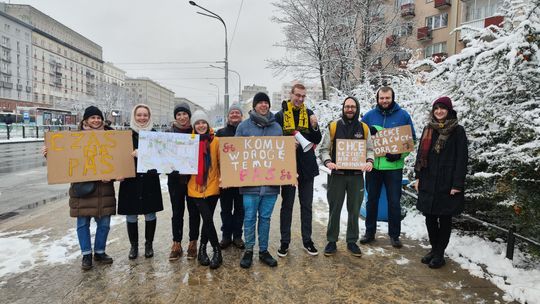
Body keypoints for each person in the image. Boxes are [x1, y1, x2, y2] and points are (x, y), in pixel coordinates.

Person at [41, 106, 119, 270]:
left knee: (104, 223)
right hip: (82, 189)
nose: (96, 120)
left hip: (104, 189)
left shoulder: (112, 137)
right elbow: (63, 161)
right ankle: (86, 255)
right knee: (83, 224)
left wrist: (111, 176)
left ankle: (99, 251)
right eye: (92, 118)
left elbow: (118, 162)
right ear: (86, 120)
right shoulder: (74, 139)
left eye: (99, 118)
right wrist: (50, 153)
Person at [413, 96, 468, 269]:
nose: (439, 111)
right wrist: (418, 176)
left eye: (442, 108)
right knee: (429, 217)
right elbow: (420, 155)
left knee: (444, 219)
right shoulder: (428, 129)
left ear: (449, 110)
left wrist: (457, 184)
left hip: (447, 182)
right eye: (436, 108)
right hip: (429, 180)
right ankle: (433, 249)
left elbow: (462, 159)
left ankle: (439, 253)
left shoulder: (458, 131)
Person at [360, 86, 416, 248]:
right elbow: (359, 137)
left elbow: (411, 140)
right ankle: (369, 233)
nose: (384, 101)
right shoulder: (369, 116)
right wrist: (367, 134)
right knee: (372, 201)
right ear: (377, 99)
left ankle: (394, 235)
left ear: (393, 98)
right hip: (374, 167)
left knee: (394, 202)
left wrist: (400, 155)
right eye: (381, 98)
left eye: (387, 98)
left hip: (394, 167)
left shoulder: (403, 115)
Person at [319, 96, 374, 257]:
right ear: (343, 108)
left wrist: (370, 161)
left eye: (353, 107)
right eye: (347, 106)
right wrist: (328, 161)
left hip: (357, 176)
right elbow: (323, 149)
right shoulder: (334, 126)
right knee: (334, 209)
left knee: (354, 209)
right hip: (337, 175)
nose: (349, 109)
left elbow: (370, 149)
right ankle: (331, 240)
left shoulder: (364, 128)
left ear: (357, 109)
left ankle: (352, 241)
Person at [274, 83, 322, 257]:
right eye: (298, 95)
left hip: (307, 168)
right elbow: (274, 139)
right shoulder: (279, 116)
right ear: (291, 94)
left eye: (303, 96)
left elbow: (317, 138)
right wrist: (287, 142)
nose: (300, 99)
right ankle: (284, 242)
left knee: (306, 206)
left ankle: (307, 241)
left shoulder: (308, 114)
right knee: (287, 206)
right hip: (287, 167)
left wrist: (315, 126)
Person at [235, 92, 282, 268]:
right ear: (254, 105)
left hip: (270, 184)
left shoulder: (277, 128)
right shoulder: (243, 127)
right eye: (260, 102)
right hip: (250, 184)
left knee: (265, 217)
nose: (263, 105)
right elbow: (236, 154)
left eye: (266, 102)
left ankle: (263, 251)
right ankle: (248, 250)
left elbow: (281, 154)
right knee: (249, 218)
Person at [118, 104, 164, 260]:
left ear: (149, 117)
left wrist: (143, 154)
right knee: (131, 214)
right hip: (130, 180)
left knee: (150, 213)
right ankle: (134, 246)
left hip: (149, 179)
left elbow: (162, 158)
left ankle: (148, 244)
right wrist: (118, 172)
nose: (142, 118)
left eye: (145, 115)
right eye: (139, 115)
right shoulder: (126, 135)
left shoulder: (155, 135)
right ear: (134, 116)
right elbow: (117, 156)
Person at [187, 110, 222, 269]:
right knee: (207, 218)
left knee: (207, 220)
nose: (201, 125)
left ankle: (202, 249)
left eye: (203, 122)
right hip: (195, 188)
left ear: (208, 124)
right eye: (198, 123)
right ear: (194, 125)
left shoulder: (216, 141)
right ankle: (216, 250)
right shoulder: (189, 141)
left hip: (213, 186)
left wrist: (223, 178)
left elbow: (222, 162)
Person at [166, 102, 201, 261]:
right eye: (178, 114)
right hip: (175, 179)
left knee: (194, 211)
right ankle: (176, 243)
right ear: (175, 117)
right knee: (177, 212)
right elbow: (161, 154)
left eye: (184, 114)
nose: (182, 117)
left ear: (189, 115)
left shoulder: (196, 131)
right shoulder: (168, 133)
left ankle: (193, 242)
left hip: (193, 179)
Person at [216, 104, 245, 250]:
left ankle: (238, 236)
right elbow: (216, 155)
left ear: (242, 116)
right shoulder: (221, 133)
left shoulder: (246, 131)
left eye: (237, 113)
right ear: (228, 116)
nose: (234, 115)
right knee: (226, 209)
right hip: (226, 179)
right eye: (232, 113)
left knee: (240, 209)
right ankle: (226, 236)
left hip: (242, 179)